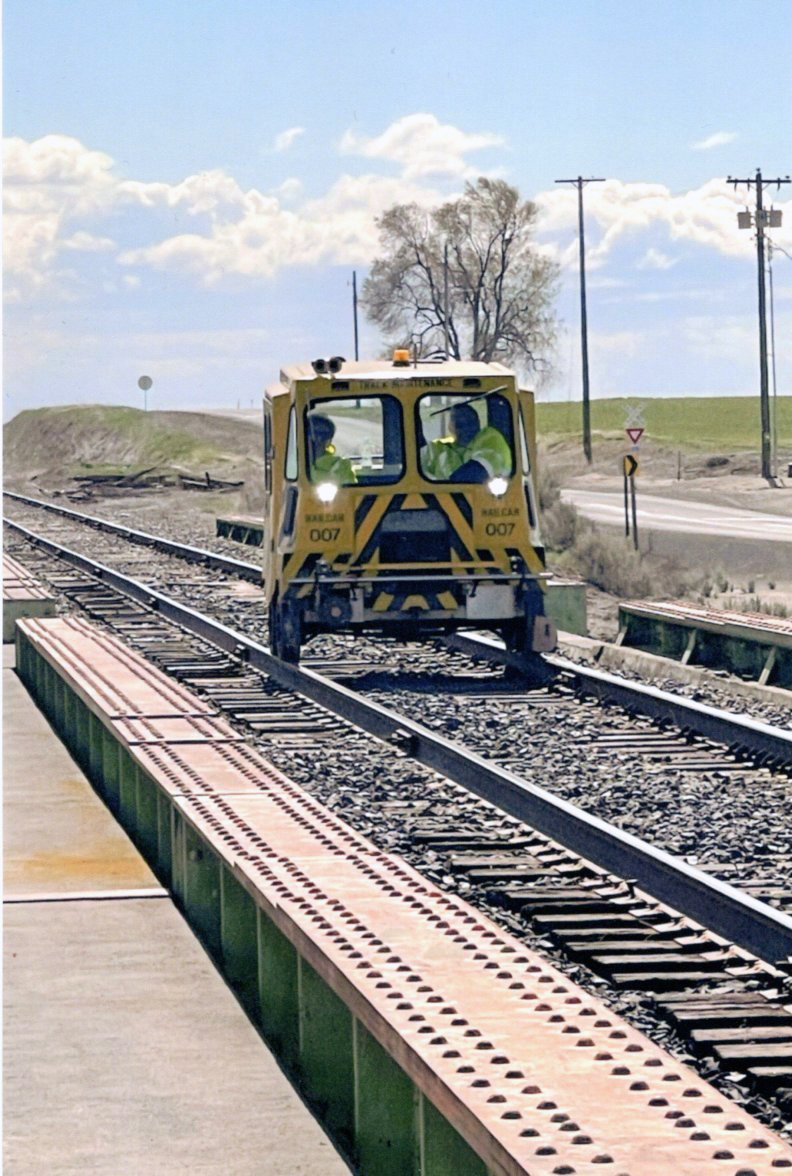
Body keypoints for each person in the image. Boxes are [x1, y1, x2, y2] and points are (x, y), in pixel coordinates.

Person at [422, 402, 511, 482]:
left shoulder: (490, 439)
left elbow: (476, 473)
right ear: (450, 426)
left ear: (478, 422)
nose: (464, 426)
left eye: (468, 420)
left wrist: (444, 488)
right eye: (458, 421)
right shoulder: (438, 449)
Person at [307, 414, 356, 484]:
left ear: (329, 441)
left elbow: (351, 490)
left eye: (323, 436)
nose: (317, 440)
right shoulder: (291, 464)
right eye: (313, 435)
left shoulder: (342, 465)